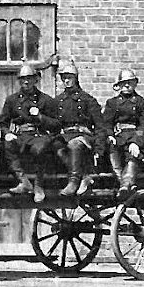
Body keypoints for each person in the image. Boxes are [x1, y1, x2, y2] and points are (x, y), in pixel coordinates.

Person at [0, 62, 60, 204]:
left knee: (40, 149)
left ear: (35, 80)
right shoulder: (12, 100)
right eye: (22, 79)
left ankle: (38, 186)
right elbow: (2, 122)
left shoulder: (45, 100)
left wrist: (40, 117)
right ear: (19, 81)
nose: (26, 82)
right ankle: (24, 181)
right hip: (20, 135)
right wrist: (7, 132)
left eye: (29, 78)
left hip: (38, 135)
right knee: (7, 144)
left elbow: (56, 124)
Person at [53, 60, 105, 197]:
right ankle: (84, 176)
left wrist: (99, 149)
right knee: (55, 146)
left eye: (69, 78)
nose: (66, 81)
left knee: (74, 144)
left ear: (76, 79)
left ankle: (74, 181)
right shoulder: (58, 101)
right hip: (65, 135)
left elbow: (100, 126)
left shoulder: (88, 100)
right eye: (64, 78)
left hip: (84, 137)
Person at [101, 68, 144, 198]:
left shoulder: (143, 103)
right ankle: (123, 184)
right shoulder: (112, 103)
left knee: (133, 156)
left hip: (137, 137)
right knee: (111, 149)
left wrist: (136, 142)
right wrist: (110, 135)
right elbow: (106, 123)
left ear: (135, 84)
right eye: (123, 82)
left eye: (130, 82)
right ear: (118, 85)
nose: (126, 85)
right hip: (119, 138)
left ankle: (126, 185)